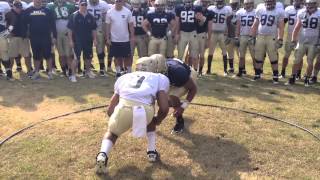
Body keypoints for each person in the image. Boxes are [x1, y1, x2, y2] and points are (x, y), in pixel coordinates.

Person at [95, 70, 170, 174]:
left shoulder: (125, 77)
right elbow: (165, 107)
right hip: (145, 110)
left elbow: (112, 105)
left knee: (112, 133)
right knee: (151, 120)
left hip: (124, 107)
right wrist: (158, 119)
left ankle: (102, 155)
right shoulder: (159, 78)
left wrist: (114, 119)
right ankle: (152, 152)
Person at [136, 54, 197, 133]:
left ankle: (180, 120)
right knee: (162, 99)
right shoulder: (153, 69)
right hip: (172, 76)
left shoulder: (178, 72)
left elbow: (193, 89)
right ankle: (177, 103)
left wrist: (182, 107)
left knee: (170, 99)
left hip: (188, 76)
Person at [249, 0, 285, 84]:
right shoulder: (260, 9)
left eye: (271, 1)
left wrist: (280, 39)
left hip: (272, 37)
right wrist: (252, 36)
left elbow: (281, 27)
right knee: (258, 56)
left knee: (273, 57)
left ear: (275, 2)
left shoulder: (279, 11)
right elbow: (255, 23)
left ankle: (275, 76)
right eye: (268, 1)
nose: (269, 3)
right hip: (260, 36)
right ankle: (257, 74)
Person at [286, 0, 320, 87]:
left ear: (315, 4)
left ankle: (307, 79)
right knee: (296, 60)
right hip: (302, 41)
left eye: (311, 4)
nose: (309, 6)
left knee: (310, 61)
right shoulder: (302, 12)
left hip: (314, 42)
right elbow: (297, 27)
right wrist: (293, 39)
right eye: (308, 4)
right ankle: (293, 77)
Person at [23, 0, 57, 80]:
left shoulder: (47, 10)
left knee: (48, 55)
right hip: (34, 37)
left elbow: (53, 24)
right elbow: (24, 23)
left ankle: (49, 72)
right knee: (36, 55)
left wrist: (54, 36)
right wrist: (26, 34)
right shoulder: (28, 10)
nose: (38, 1)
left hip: (46, 36)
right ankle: (37, 72)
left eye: (39, 0)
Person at [67, 0, 97, 81]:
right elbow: (70, 30)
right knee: (76, 58)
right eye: (82, 5)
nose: (84, 6)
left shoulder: (90, 16)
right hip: (77, 41)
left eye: (85, 5)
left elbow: (93, 29)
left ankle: (88, 72)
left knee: (88, 57)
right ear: (79, 5)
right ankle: (73, 75)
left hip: (88, 40)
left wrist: (95, 39)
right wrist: (70, 41)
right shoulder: (74, 15)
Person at [105, 0, 134, 78]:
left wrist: (132, 36)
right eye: (117, 1)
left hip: (125, 39)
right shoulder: (109, 12)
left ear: (123, 2)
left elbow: (131, 25)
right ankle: (118, 72)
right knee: (117, 56)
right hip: (114, 39)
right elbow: (107, 26)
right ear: (115, 2)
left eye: (120, 1)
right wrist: (107, 37)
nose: (118, 2)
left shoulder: (127, 11)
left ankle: (128, 72)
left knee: (127, 56)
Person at [47, 0, 76, 78]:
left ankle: (70, 70)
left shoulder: (70, 6)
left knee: (68, 54)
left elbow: (73, 19)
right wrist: (52, 34)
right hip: (57, 33)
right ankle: (64, 70)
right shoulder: (50, 6)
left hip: (67, 33)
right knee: (61, 54)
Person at [6, 0, 32, 80]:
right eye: (17, 7)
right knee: (11, 56)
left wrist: (28, 32)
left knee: (27, 55)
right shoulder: (9, 14)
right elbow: (6, 24)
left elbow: (28, 24)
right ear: (13, 6)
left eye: (20, 7)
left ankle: (29, 71)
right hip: (13, 38)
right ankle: (9, 72)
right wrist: (9, 32)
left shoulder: (24, 13)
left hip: (24, 37)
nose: (19, 9)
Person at [280, 0, 304, 79]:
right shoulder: (288, 9)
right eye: (296, 0)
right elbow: (284, 22)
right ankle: (283, 72)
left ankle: (298, 74)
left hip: (301, 36)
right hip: (290, 36)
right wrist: (280, 33)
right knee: (286, 55)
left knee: (299, 57)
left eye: (299, 0)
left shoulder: (305, 9)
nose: (298, 2)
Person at [207, 0, 232, 75]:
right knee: (210, 51)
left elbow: (228, 22)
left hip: (222, 33)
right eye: (218, 1)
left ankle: (225, 70)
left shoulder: (227, 9)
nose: (219, 3)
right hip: (213, 33)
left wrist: (228, 33)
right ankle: (208, 70)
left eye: (220, 1)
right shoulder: (211, 8)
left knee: (224, 51)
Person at [87, 0, 112, 76]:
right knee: (87, 49)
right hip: (87, 29)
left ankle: (102, 67)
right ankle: (88, 67)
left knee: (100, 49)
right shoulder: (85, 3)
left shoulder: (103, 4)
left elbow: (106, 19)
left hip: (99, 29)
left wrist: (106, 31)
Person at [235, 0, 255, 77]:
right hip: (242, 36)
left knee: (254, 56)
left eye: (248, 3)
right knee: (241, 55)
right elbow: (238, 25)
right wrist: (237, 36)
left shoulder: (256, 12)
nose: (247, 5)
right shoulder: (240, 12)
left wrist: (255, 36)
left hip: (252, 36)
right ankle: (240, 71)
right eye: (246, 4)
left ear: (252, 4)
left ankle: (257, 72)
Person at [0, 0, 11, 80]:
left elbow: (11, 17)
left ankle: (9, 73)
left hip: (1, 33)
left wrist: (10, 29)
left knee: (4, 53)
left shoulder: (4, 4)